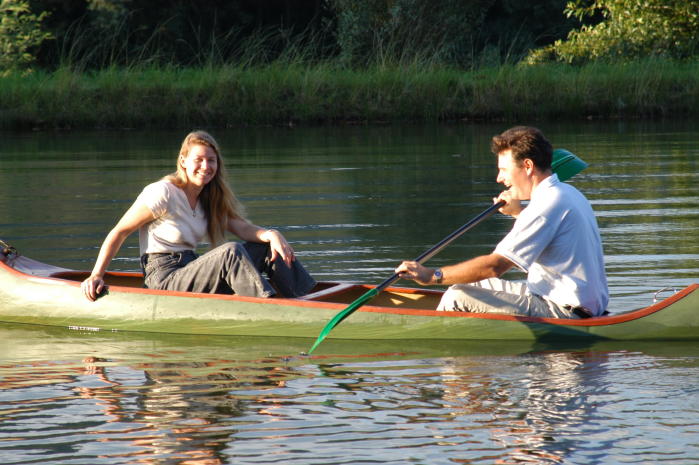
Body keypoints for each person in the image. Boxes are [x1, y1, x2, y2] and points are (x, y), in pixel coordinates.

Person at [395, 126, 608, 318]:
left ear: (527, 166)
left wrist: (431, 275)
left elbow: (495, 266)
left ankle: (434, 350)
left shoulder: (544, 206)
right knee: (471, 284)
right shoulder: (566, 192)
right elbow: (546, 230)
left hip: (565, 312)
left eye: (504, 170)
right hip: (567, 301)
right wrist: (518, 212)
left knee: (457, 295)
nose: (499, 178)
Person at [81, 130, 316, 302]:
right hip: (164, 280)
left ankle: (312, 302)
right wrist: (96, 275)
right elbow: (120, 232)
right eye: (199, 160)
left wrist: (272, 235)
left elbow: (242, 227)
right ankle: (271, 309)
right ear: (183, 161)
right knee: (230, 252)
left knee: (264, 247)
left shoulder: (209, 199)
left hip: (191, 270)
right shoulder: (163, 192)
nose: (205, 166)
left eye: (211, 160)